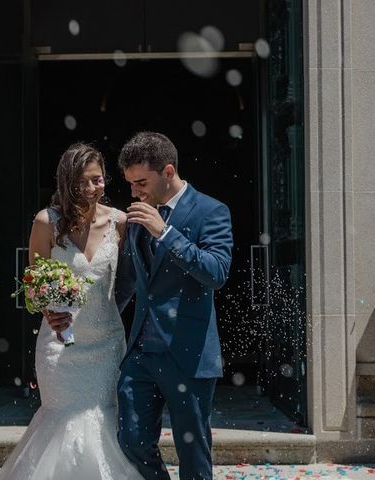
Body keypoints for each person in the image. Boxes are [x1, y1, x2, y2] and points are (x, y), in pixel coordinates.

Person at [0, 143, 142, 479]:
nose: (92, 189)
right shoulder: (46, 222)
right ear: (67, 183)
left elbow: (131, 281)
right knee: (64, 420)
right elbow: (33, 285)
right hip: (61, 344)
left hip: (107, 342)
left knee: (103, 419)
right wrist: (48, 310)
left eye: (98, 180)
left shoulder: (120, 222)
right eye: (82, 183)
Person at [115, 132, 233, 480]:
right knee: (131, 441)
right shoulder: (137, 216)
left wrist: (165, 232)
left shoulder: (211, 210)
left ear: (168, 171)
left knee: (192, 451)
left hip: (188, 353)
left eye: (141, 183)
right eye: (130, 184)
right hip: (139, 354)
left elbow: (216, 272)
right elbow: (127, 283)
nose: (135, 192)